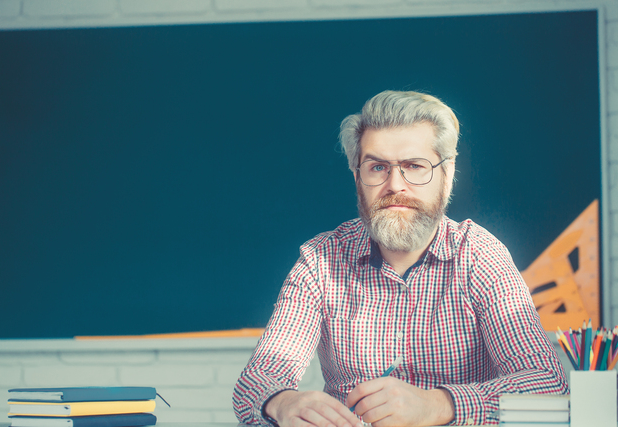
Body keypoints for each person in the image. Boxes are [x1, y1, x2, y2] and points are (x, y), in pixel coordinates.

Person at [233, 90, 568, 427]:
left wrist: (438, 405)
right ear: (357, 177)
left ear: (447, 174)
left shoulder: (480, 256)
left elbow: (547, 382)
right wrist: (283, 402)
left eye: (414, 166)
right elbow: (258, 379)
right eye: (378, 167)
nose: (395, 185)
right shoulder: (320, 261)